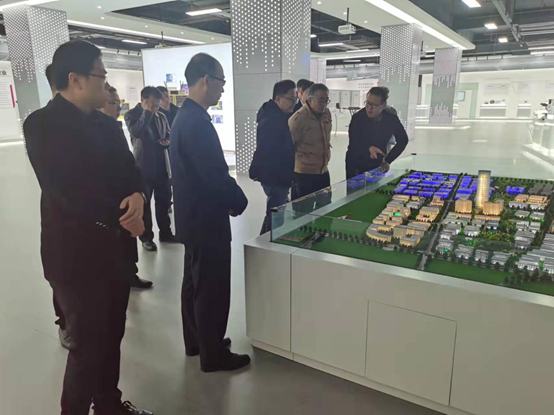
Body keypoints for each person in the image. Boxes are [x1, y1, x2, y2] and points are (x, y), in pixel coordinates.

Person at [24, 40, 151, 415]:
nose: (107, 86)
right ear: (76, 79)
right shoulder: (42, 125)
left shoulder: (108, 126)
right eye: (102, 77)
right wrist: (126, 217)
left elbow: (131, 173)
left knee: (112, 335)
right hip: (75, 258)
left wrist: (139, 197)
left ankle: (109, 404)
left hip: (116, 251)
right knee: (87, 345)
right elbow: (67, 191)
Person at [170, 53, 250, 372]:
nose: (223, 89)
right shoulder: (197, 123)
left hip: (191, 218)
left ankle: (198, 341)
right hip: (206, 220)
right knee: (211, 287)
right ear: (205, 80)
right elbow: (215, 176)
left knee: (194, 281)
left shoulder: (184, 117)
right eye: (221, 82)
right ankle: (213, 353)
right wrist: (239, 201)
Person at [101, 85, 154, 290]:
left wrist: (138, 192)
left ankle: (130, 274)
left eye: (119, 103)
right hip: (109, 202)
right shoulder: (94, 132)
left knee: (127, 241)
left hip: (125, 197)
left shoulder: (114, 128)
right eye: (113, 103)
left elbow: (128, 164)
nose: (118, 108)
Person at [125, 86, 177, 252]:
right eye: (152, 105)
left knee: (164, 201)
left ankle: (166, 233)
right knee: (145, 205)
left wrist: (168, 141)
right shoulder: (131, 115)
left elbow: (168, 133)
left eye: (157, 105)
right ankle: (146, 238)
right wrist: (146, 113)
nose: (156, 108)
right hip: (143, 167)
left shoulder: (161, 115)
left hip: (162, 165)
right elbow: (136, 132)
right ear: (143, 100)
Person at [45, 63, 72, 350]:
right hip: (63, 226)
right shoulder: (42, 124)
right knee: (64, 280)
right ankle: (64, 323)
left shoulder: (94, 122)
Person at [249, 79, 297, 234]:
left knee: (274, 213)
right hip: (276, 176)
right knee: (275, 216)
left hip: (278, 175)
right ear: (278, 98)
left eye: (295, 99)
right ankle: (267, 244)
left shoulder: (276, 116)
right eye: (291, 99)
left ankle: (264, 242)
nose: (294, 103)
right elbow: (266, 151)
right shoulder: (272, 120)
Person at [345, 87, 409, 179]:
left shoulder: (391, 118)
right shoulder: (358, 118)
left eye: (374, 105)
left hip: (377, 164)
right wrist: (368, 148)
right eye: (367, 103)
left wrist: (388, 160)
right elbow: (354, 142)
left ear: (383, 104)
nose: (369, 108)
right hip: (356, 163)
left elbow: (403, 140)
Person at [289, 83, 333, 213]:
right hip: (304, 175)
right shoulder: (298, 119)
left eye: (326, 100)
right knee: (303, 213)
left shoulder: (326, 114)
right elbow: (288, 147)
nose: (324, 104)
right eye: (321, 100)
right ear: (310, 99)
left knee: (325, 210)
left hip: (323, 172)